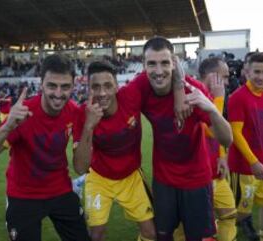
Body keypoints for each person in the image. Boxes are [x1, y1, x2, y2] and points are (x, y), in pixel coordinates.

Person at [126, 36, 233, 241]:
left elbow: (227, 139)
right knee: (164, 236)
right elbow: (116, 107)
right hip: (164, 179)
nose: (159, 71)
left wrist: (211, 109)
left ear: (173, 63)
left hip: (197, 178)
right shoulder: (141, 86)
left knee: (197, 237)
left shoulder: (193, 90)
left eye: (164, 62)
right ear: (143, 66)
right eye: (152, 64)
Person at [0, 54, 90, 241]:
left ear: (74, 85)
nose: (58, 94)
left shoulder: (74, 112)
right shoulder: (24, 113)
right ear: (41, 83)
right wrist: (9, 126)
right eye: (52, 85)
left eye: (65, 86)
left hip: (60, 190)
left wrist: (88, 129)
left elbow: (81, 167)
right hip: (23, 194)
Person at [73, 61, 155, 241]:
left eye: (108, 86)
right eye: (96, 87)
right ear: (88, 89)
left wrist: (180, 91)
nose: (102, 93)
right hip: (99, 178)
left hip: (131, 177)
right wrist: (89, 126)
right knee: (96, 236)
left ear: (117, 86)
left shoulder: (131, 94)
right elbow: (80, 167)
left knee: (151, 233)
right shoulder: (82, 114)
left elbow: (160, 67)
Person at [228, 53, 263, 241]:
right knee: (239, 213)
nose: (261, 76)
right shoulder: (237, 98)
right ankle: (213, 232)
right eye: (257, 71)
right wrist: (254, 162)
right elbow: (236, 133)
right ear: (246, 72)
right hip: (244, 169)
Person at [197, 57, 237, 241]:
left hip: (215, 172)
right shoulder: (194, 95)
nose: (227, 82)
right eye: (225, 77)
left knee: (229, 215)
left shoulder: (216, 97)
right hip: (195, 177)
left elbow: (221, 135)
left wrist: (222, 156)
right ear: (213, 77)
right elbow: (211, 130)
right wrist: (219, 98)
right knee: (191, 227)